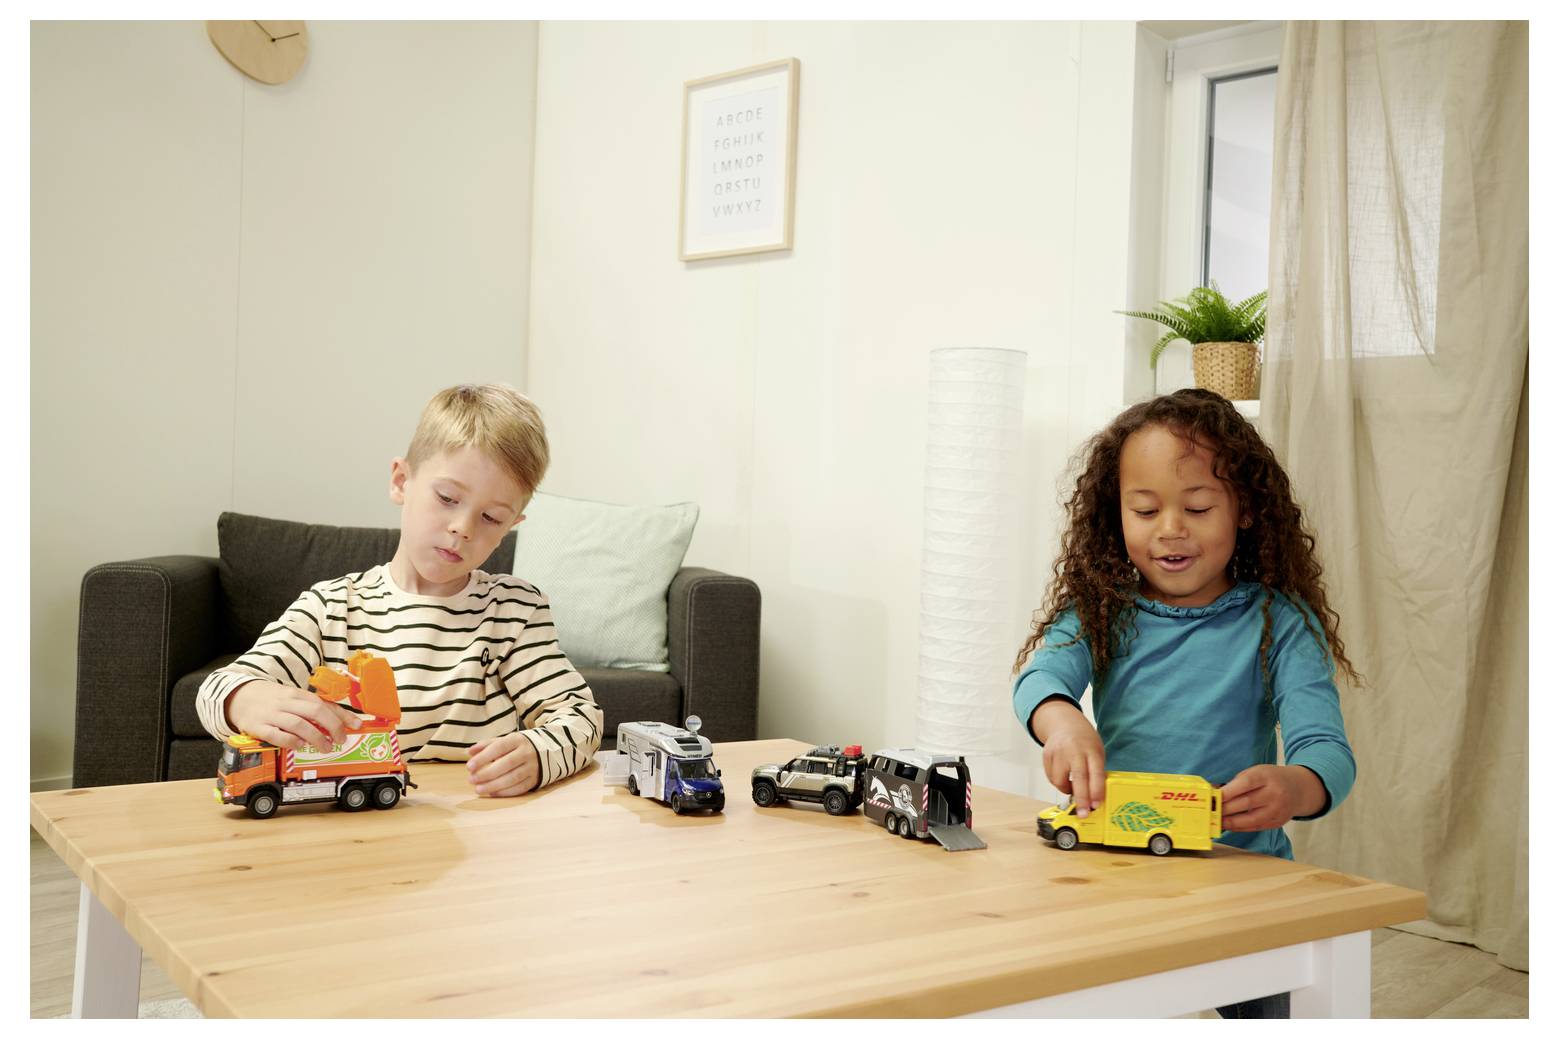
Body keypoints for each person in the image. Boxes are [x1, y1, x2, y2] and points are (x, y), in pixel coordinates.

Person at [1011, 388, 1359, 1020]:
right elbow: (1040, 678)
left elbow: (1326, 751)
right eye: (1145, 510)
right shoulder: (1100, 612)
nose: (1170, 528)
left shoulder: (1279, 623)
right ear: (1115, 514)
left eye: (1197, 507)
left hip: (1241, 875)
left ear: (1245, 509)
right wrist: (1062, 721)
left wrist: (1297, 787)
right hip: (1119, 866)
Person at [196, 383, 603, 797]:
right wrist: (243, 700)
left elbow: (581, 719)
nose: (462, 527)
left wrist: (537, 755)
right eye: (447, 498)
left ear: (510, 527)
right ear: (401, 481)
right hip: (353, 814)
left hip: (475, 818)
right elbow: (215, 690)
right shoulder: (332, 607)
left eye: (491, 518)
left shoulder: (515, 612)